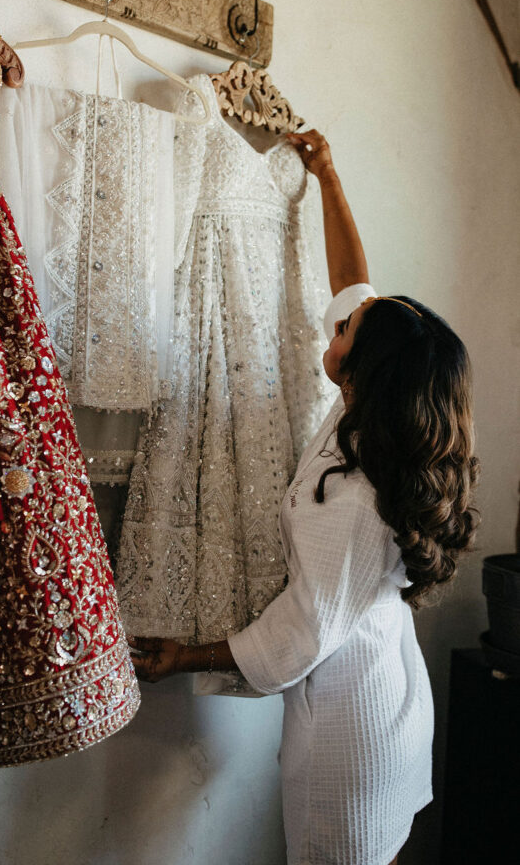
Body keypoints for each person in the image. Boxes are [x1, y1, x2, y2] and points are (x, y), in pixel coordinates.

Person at [129, 129, 479, 865]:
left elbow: (301, 633)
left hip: (346, 750)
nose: (340, 317)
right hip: (390, 704)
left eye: (347, 327)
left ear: (362, 364)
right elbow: (358, 288)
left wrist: (185, 655)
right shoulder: (380, 423)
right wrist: (327, 175)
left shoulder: (353, 495)